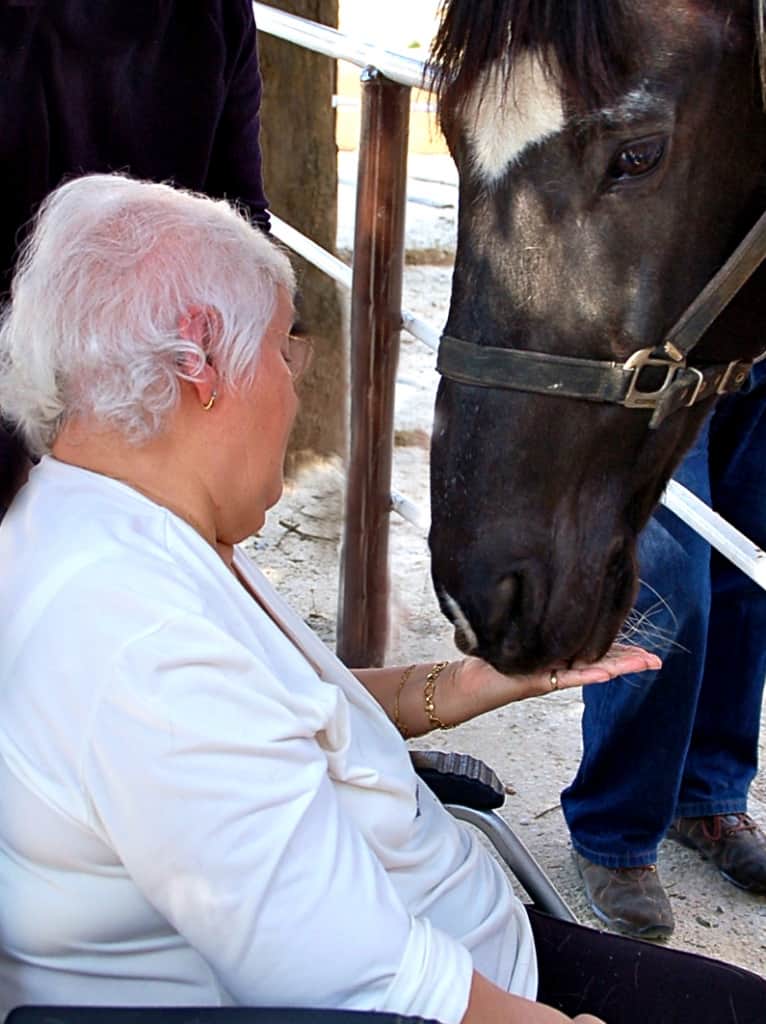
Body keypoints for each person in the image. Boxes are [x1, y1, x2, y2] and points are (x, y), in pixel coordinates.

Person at [1, 175, 765, 1024]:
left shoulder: (102, 518)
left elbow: (268, 716)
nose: (295, 388)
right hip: (449, 992)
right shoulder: (139, 639)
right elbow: (362, 985)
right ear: (202, 359)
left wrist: (460, 686)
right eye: (285, 351)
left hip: (458, 942)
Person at [0, 0, 271, 510]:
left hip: (154, 373)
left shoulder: (219, 14)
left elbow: (241, 218)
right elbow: (243, 216)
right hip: (141, 377)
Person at [562, 368, 766, 939]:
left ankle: (707, 795)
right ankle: (615, 830)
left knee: (748, 571)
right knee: (664, 581)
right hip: (671, 344)